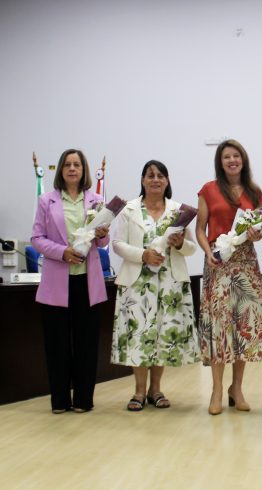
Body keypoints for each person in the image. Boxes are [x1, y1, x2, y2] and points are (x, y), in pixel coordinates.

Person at [110, 160, 200, 411]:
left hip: (170, 286)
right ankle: (138, 391)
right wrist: (143, 255)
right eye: (150, 175)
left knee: (162, 336)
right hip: (137, 283)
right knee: (139, 335)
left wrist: (181, 243)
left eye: (161, 175)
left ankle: (156, 390)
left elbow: (191, 249)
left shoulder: (179, 211)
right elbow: (116, 244)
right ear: (142, 180)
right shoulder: (128, 210)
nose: (155, 179)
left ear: (167, 181)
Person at [196, 139, 262, 415]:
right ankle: (216, 390)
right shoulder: (209, 189)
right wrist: (207, 252)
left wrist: (256, 234)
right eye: (227, 157)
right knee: (219, 328)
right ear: (220, 161)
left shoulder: (254, 191)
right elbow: (200, 230)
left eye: (236, 156)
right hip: (217, 262)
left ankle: (236, 388)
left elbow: (259, 229)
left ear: (243, 160)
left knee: (244, 326)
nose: (232, 161)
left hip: (245, 264)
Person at [31, 148, 110, 414]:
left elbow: (103, 242)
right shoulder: (46, 201)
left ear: (83, 169)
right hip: (57, 282)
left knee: (87, 344)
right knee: (57, 344)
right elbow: (37, 239)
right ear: (61, 170)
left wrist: (101, 234)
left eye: (77, 164)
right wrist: (61, 252)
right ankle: (60, 401)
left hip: (87, 282)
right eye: (67, 164)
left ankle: (84, 400)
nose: (72, 169)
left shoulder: (97, 200)